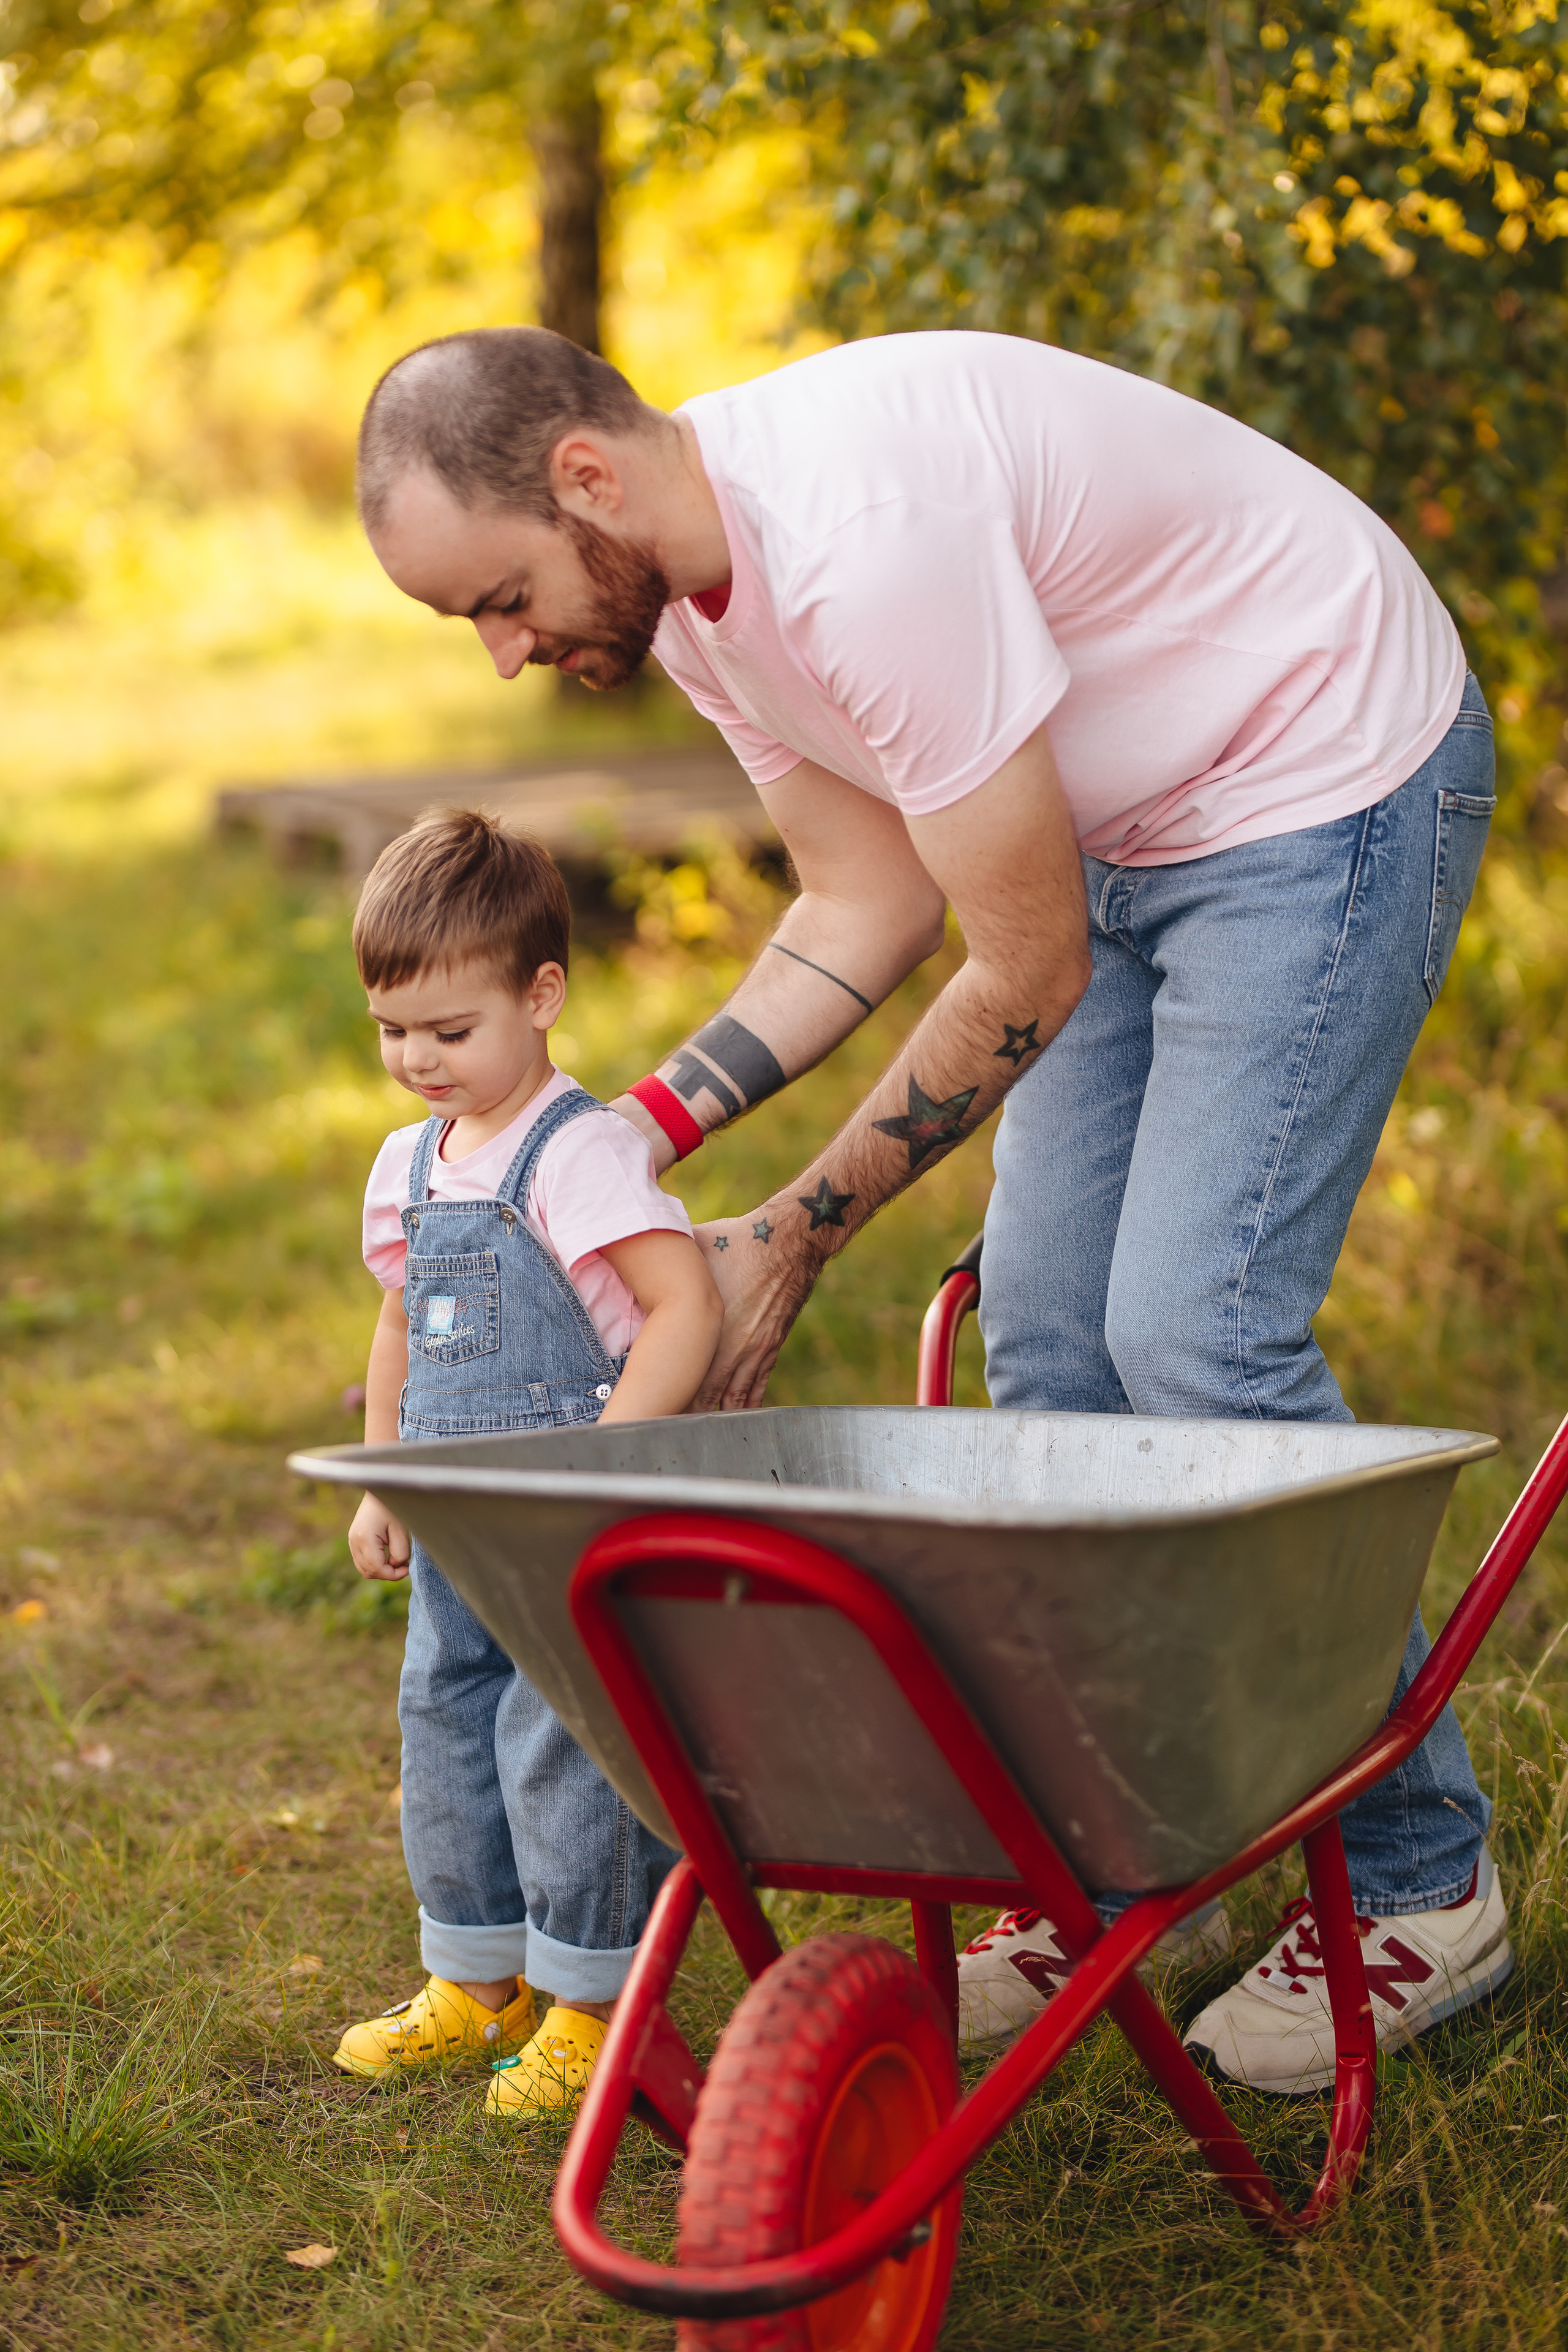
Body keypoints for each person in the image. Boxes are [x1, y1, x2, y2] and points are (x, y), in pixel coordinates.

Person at [351, 325, 1513, 2096]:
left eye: (498, 600)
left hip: (1319, 783)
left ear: (585, 478)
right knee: (1047, 1335)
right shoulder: (701, 593)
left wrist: (797, 1229)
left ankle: (1424, 1883)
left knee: (1187, 1333)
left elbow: (1021, 962)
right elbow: (860, 898)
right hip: (1119, 823)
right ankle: (1131, 1849)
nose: (510, 657)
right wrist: (637, 1134)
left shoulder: (858, 539)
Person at [336, 807, 722, 2116]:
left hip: (571, 1520)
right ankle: (474, 1976)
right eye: (394, 1031)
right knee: (444, 1717)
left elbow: (682, 1307)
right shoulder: (411, 1164)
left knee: (562, 1731)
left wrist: (606, 1470)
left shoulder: (580, 1151)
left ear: (541, 993)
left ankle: (590, 1999)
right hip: (463, 1517)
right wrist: (387, 1471)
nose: (418, 1061)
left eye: (451, 1032)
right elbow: (401, 1320)